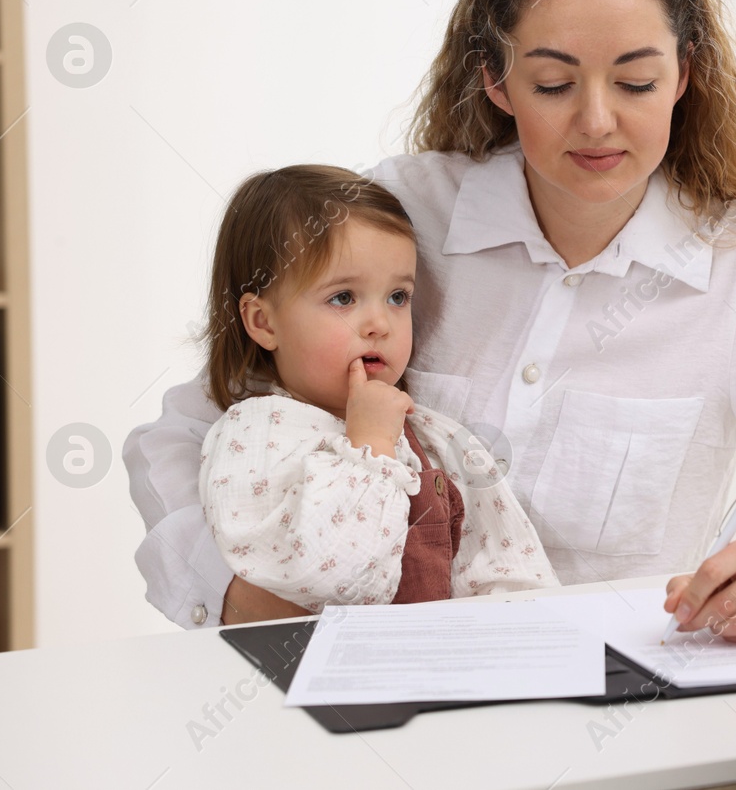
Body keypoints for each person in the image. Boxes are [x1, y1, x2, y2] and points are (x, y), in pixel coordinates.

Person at [123, 0, 736, 640]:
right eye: (554, 83)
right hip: (380, 705)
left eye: (635, 82)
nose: (596, 121)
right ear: (496, 80)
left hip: (607, 716)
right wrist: (228, 596)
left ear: (685, 74)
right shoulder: (409, 216)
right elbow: (181, 432)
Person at [195, 165, 556, 612]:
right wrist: (371, 447)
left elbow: (507, 564)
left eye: (398, 297)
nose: (379, 324)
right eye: (343, 298)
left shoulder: (431, 436)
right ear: (263, 322)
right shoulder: (256, 434)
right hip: (323, 675)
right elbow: (328, 576)